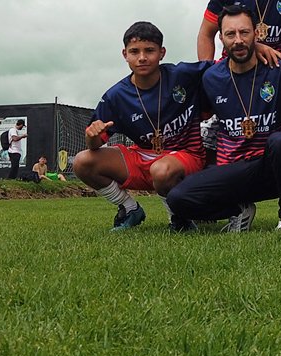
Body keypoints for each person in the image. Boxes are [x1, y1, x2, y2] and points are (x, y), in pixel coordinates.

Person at [167, 5, 281, 233]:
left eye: (244, 32)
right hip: (233, 169)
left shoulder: (278, 67)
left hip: (272, 168)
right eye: (230, 34)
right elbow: (191, 109)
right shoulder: (212, 77)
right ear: (221, 38)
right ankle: (237, 210)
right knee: (178, 199)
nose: (238, 40)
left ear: (257, 33)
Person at [72, 22, 210, 232]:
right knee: (82, 161)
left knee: (161, 169)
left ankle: (179, 217)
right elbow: (95, 144)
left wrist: (258, 48)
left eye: (149, 50)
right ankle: (129, 209)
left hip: (184, 156)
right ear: (124, 54)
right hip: (143, 158)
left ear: (162, 53)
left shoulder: (182, 74)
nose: (142, 57)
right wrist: (93, 135)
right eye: (134, 51)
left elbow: (226, 66)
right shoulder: (116, 96)